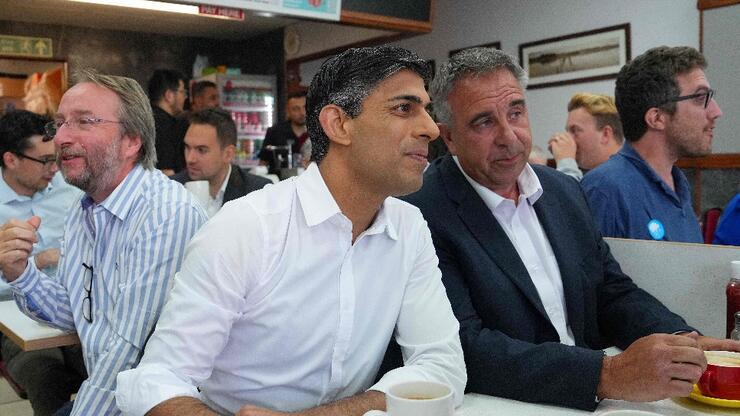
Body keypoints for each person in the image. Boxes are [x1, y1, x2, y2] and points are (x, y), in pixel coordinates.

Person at [116, 46, 466, 416]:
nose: (431, 128)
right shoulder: (247, 227)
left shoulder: (408, 227)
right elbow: (157, 379)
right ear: (339, 124)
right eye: (404, 108)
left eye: (426, 109)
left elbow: (442, 366)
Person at [404, 47, 739, 411]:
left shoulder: (563, 190)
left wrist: (681, 340)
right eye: (484, 122)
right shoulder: (422, 211)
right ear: (449, 138)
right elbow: (465, 345)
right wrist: (605, 374)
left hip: (590, 401)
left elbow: (610, 291)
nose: (509, 136)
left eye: (516, 112)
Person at [0, 69, 207, 415]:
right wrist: (20, 273)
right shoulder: (84, 207)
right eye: (60, 123)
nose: (61, 137)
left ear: (132, 141)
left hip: (157, 404)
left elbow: (128, 354)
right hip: (113, 392)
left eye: (84, 122)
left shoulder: (165, 213)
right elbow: (77, 311)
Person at [582, 46, 722, 242]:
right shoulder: (606, 191)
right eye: (700, 98)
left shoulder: (679, 184)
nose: (716, 112)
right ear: (656, 118)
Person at [0, 109, 86, 416]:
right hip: (14, 320)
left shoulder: (70, 191)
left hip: (75, 310)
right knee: (46, 375)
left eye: (56, 158)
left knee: (110, 364)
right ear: (11, 159)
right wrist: (33, 263)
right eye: (45, 161)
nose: (54, 169)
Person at [171, 108, 271, 217]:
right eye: (187, 147)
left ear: (228, 154)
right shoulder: (172, 189)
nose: (190, 159)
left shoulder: (257, 192)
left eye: (201, 150)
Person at [548, 93, 624, 180]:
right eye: (567, 131)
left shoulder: (616, 178)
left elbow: (569, 189)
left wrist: (566, 161)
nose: (568, 139)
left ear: (605, 134)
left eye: (575, 130)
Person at [148, 69, 189, 176]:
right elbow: (167, 171)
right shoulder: (167, 125)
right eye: (182, 92)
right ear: (169, 95)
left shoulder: (145, 119)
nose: (185, 97)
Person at [258, 91, 307, 173]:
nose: (302, 113)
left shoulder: (320, 131)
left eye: (305, 107)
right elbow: (263, 162)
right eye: (296, 109)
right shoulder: (274, 132)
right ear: (288, 111)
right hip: (279, 179)